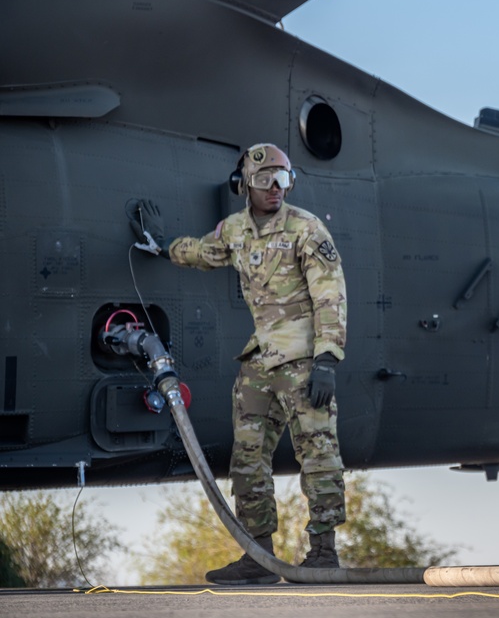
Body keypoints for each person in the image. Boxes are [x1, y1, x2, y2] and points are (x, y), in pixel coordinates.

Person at [129, 143, 348, 585]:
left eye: (283, 179)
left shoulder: (307, 229)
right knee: (247, 456)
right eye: (266, 180)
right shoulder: (235, 231)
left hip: (304, 360)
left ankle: (323, 552)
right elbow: (203, 252)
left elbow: (330, 294)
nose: (275, 189)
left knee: (317, 451)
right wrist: (163, 245)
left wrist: (328, 357)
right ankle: (259, 555)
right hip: (260, 362)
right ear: (245, 185)